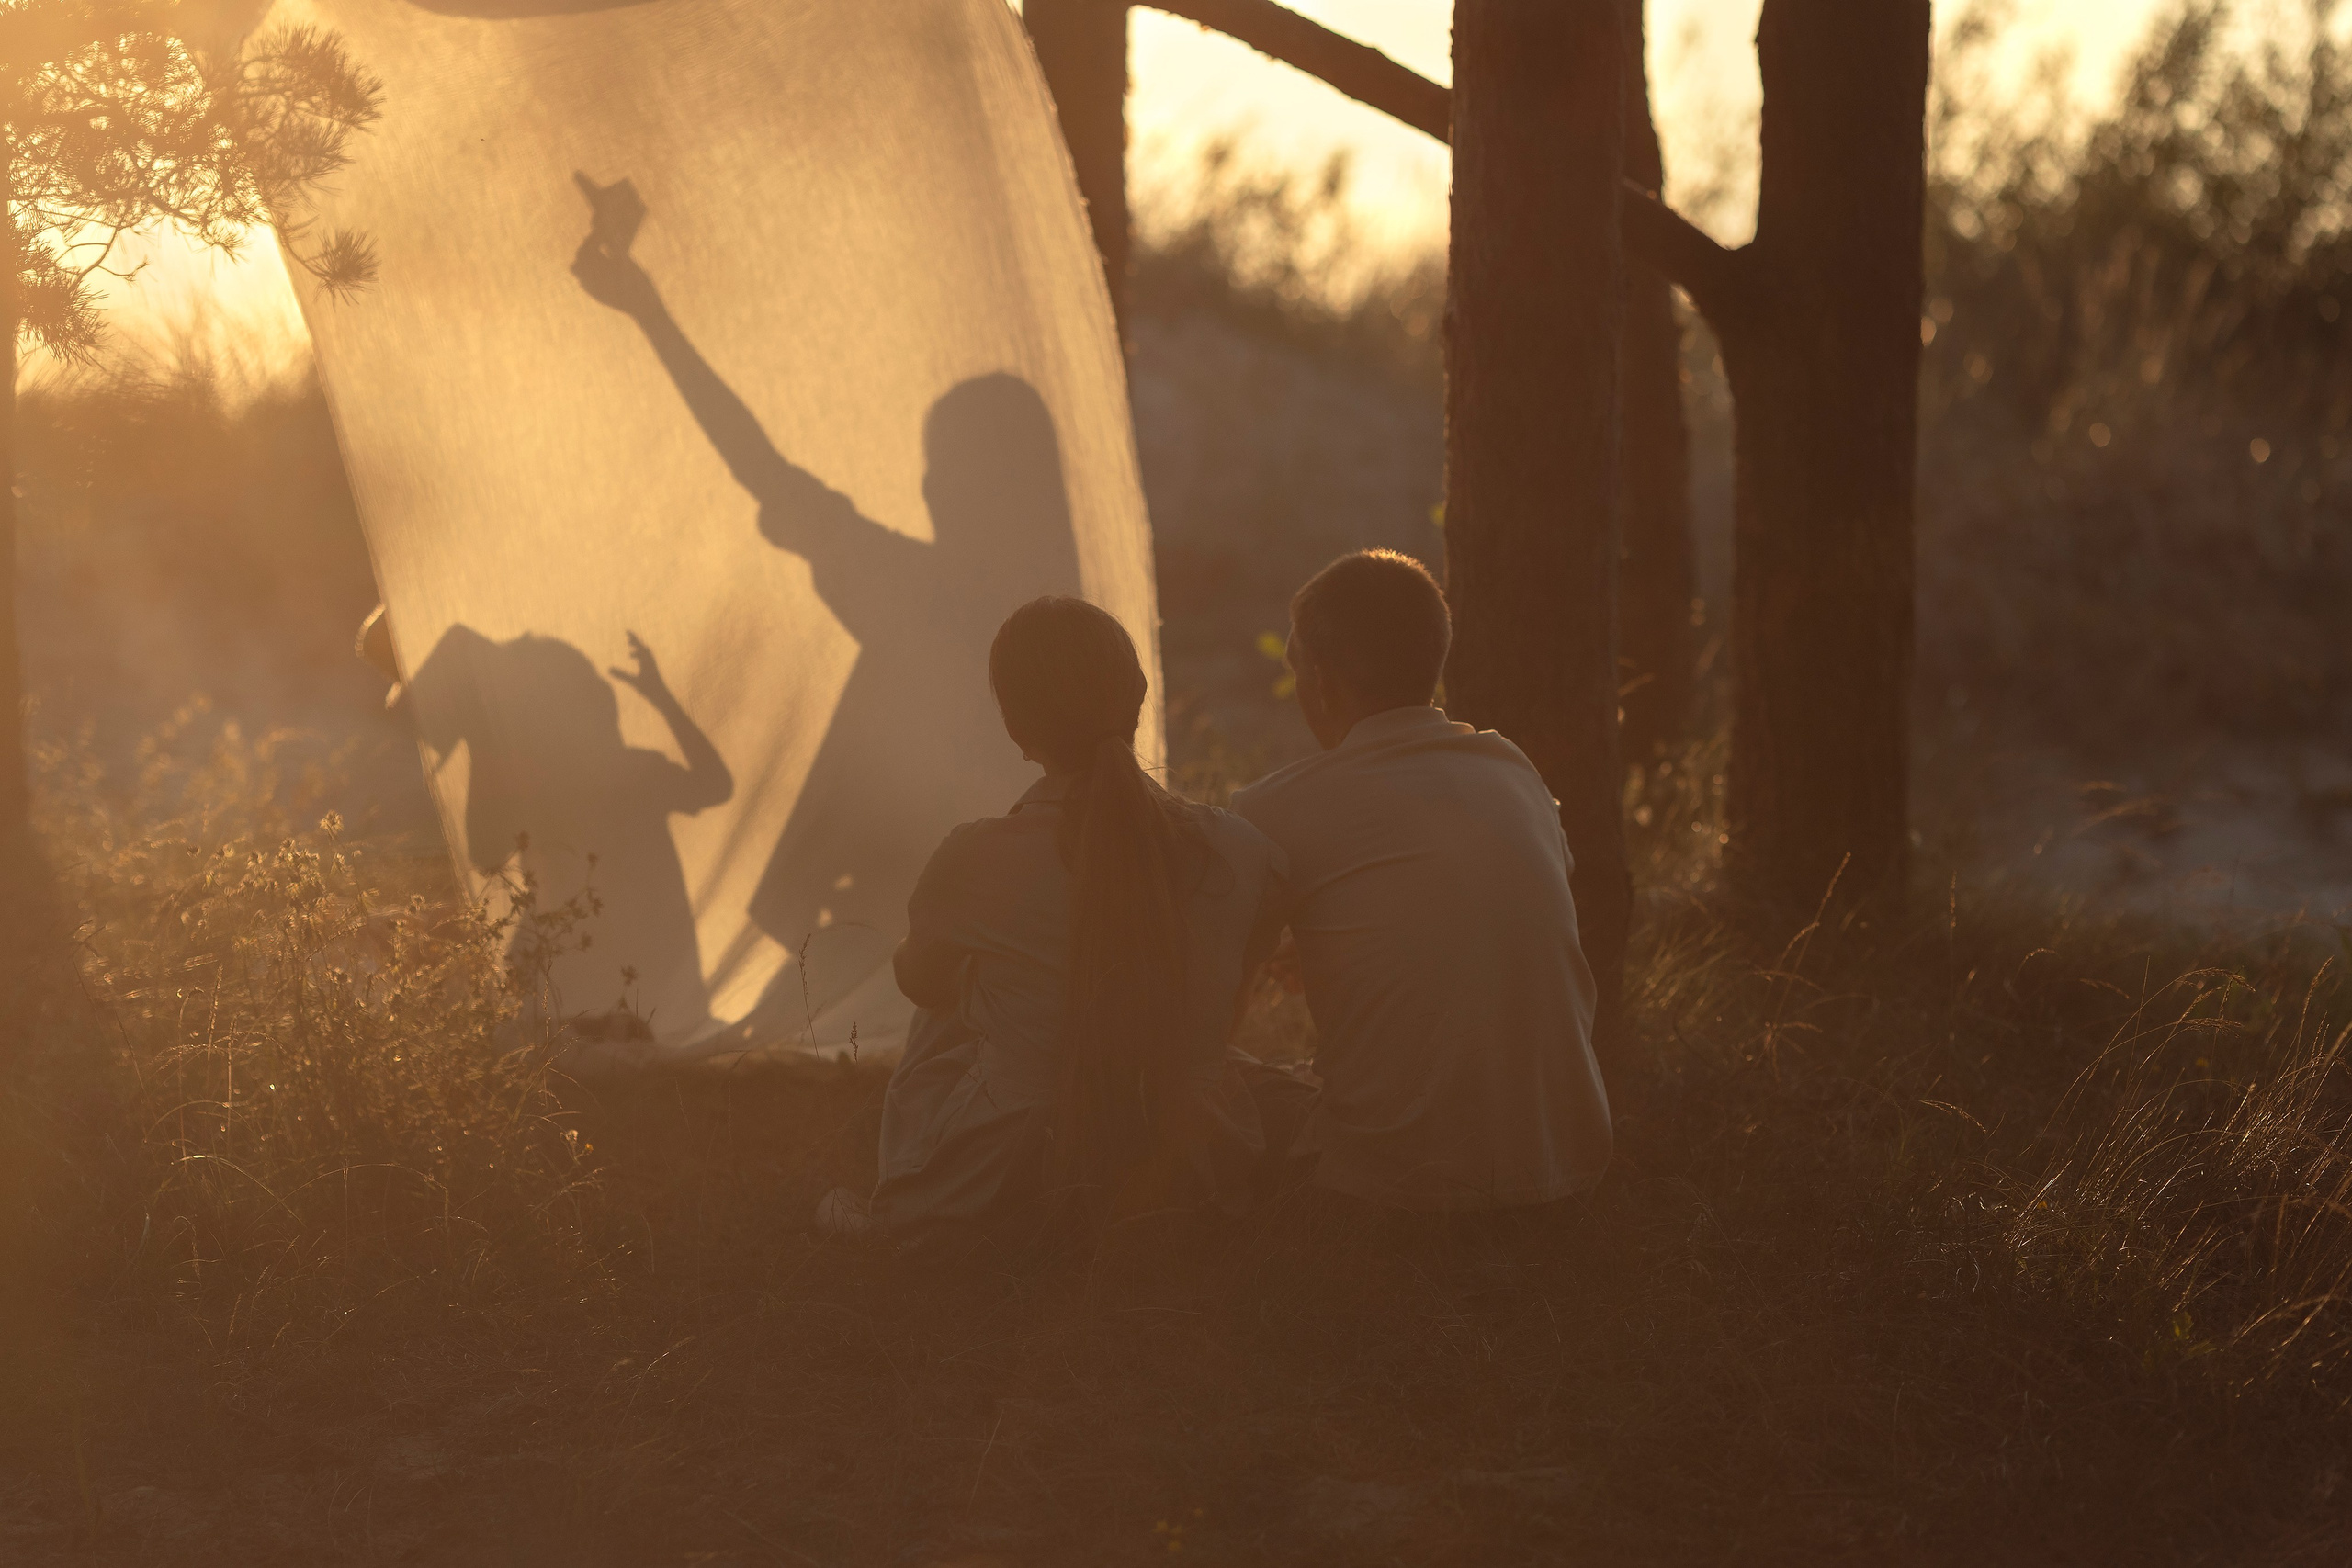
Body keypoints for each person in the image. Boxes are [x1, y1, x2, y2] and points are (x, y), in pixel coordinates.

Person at [819, 597, 1287, 1245]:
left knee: (959, 982)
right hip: (1193, 1160)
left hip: (1012, 1169)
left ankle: (896, 1209)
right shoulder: (1241, 850)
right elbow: (1241, 983)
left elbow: (922, 985)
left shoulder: (977, 856)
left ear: (1018, 729)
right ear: (1141, 696)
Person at [1230, 550, 1612, 1210]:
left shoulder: (1277, 809)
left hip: (1393, 1189)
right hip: (1569, 1166)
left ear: (1321, 681)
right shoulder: (1513, 771)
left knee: (1217, 1080)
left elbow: (1215, 1003)